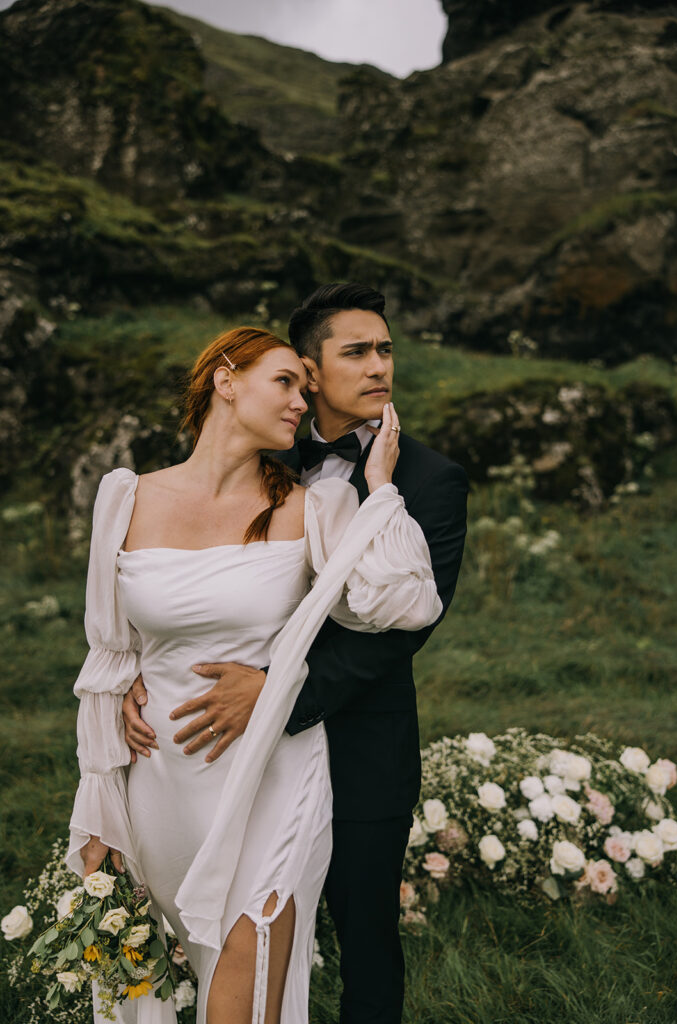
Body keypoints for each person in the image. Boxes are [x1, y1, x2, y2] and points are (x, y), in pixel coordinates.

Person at [67, 324, 444, 1024]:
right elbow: (110, 655)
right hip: (160, 778)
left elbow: (405, 603)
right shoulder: (126, 497)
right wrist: (98, 807)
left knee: (249, 977)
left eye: (306, 390)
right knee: (143, 986)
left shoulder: (316, 505)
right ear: (225, 379)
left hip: (274, 774)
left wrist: (381, 489)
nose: (302, 403)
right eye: (285, 383)